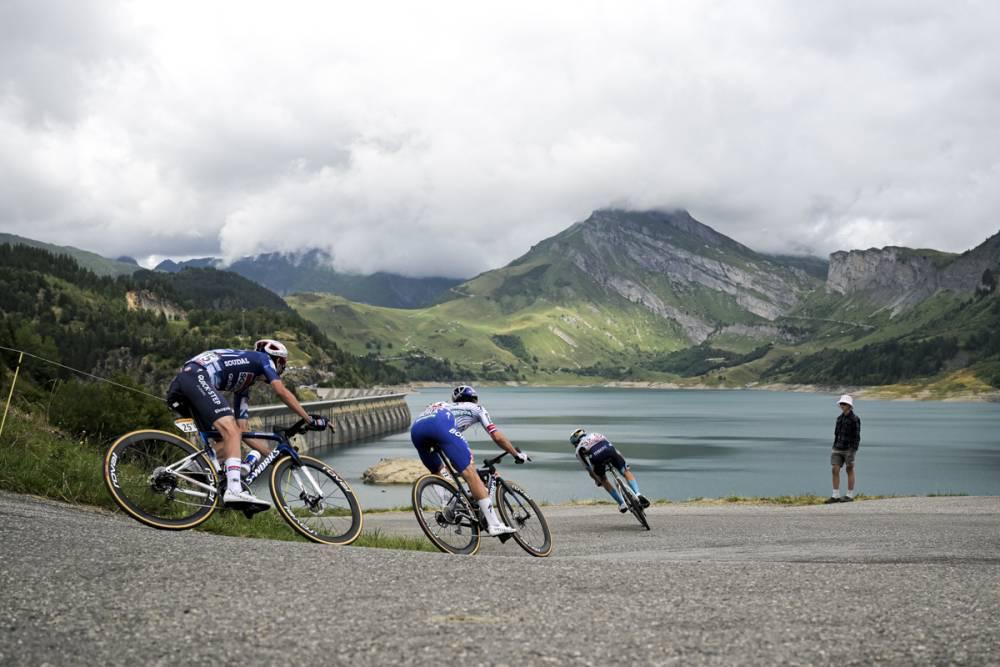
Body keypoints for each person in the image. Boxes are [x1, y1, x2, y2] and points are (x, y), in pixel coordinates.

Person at [165, 339, 329, 510]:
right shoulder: (261, 359)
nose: (282, 368)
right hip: (196, 376)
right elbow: (281, 391)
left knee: (228, 438)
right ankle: (234, 489)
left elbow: (243, 430)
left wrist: (271, 455)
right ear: (277, 360)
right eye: (283, 363)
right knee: (231, 430)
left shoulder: (243, 385)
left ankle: (192, 468)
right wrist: (309, 419)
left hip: (185, 384)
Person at [410, 385, 528, 536]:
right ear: (474, 398)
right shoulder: (478, 408)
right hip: (440, 425)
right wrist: (516, 454)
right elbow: (497, 436)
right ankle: (494, 524)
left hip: (417, 430)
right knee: (470, 472)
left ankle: (450, 504)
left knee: (437, 470)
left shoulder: (446, 405)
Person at [570, 428, 649, 512]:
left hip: (596, 458)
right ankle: (638, 494)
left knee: (604, 480)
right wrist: (625, 464)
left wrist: (597, 480)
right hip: (609, 450)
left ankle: (622, 504)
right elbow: (613, 448)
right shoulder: (596, 434)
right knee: (625, 471)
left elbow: (588, 468)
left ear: (575, 442)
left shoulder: (578, 449)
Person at [826, 394, 861, 504]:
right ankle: (835, 495)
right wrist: (834, 446)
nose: (842, 405)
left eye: (844, 404)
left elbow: (857, 436)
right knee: (834, 469)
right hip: (837, 448)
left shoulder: (855, 419)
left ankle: (849, 495)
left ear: (850, 406)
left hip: (849, 449)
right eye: (841, 403)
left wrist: (853, 449)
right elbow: (836, 434)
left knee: (849, 469)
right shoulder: (839, 419)